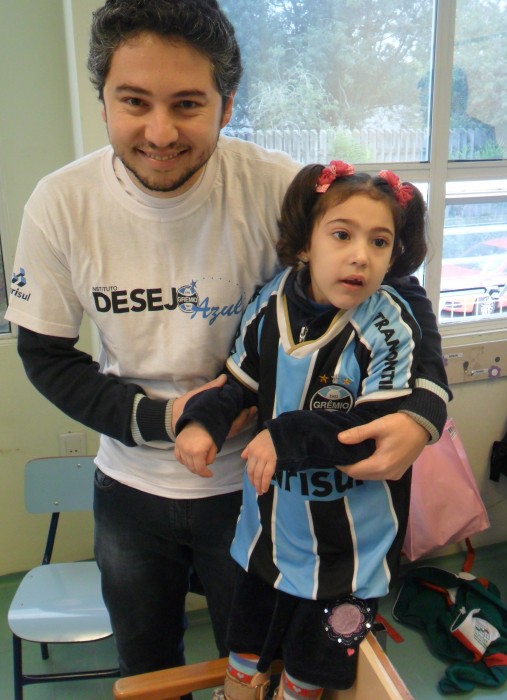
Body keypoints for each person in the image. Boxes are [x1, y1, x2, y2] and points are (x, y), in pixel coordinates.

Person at [5, 0, 449, 679]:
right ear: (103, 102)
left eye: (187, 103)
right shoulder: (61, 203)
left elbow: (388, 281)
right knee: (146, 665)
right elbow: (44, 353)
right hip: (128, 490)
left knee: (252, 661)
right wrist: (161, 419)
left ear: (226, 103)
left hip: (259, 487)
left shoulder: (274, 187)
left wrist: (425, 408)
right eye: (133, 101)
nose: (159, 131)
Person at [174, 161, 451, 699]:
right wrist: (201, 424)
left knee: (312, 668)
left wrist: (287, 434)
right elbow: (237, 383)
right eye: (342, 235)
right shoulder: (269, 301)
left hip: (352, 552)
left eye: (379, 242)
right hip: (269, 537)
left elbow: (376, 423)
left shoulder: (388, 321)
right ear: (305, 245)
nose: (359, 255)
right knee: (245, 647)